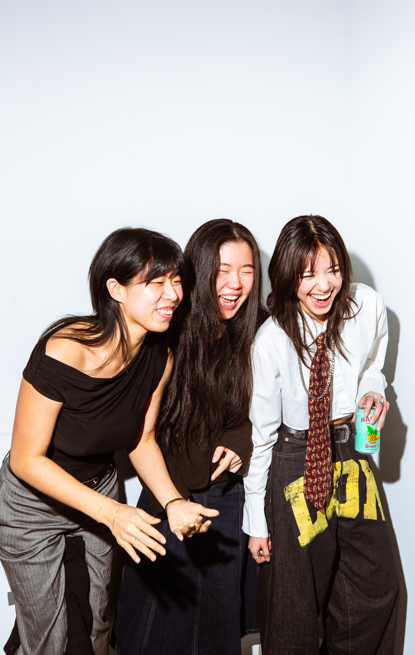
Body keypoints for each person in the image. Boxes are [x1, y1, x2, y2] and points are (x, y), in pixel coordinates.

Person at [0, 227, 218, 655]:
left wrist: (173, 502)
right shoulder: (64, 351)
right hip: (32, 505)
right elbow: (26, 459)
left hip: (101, 490)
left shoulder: (159, 355)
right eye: (155, 282)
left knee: (99, 624)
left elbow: (142, 440)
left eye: (176, 280)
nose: (172, 294)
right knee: (49, 641)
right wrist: (112, 513)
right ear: (115, 289)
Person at [243, 215, 399, 655]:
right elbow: (261, 435)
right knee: (292, 604)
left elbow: (373, 364)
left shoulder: (366, 304)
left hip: (351, 448)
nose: (324, 285)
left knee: (373, 586)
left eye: (333, 270)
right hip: (295, 455)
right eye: (308, 273)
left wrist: (372, 390)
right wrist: (256, 522)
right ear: (287, 275)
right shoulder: (271, 340)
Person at [112, 219, 267, 655]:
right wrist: (173, 501)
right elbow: (141, 431)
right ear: (197, 271)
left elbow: (263, 410)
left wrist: (239, 440)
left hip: (226, 498)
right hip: (169, 489)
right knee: (156, 629)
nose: (235, 283)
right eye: (222, 269)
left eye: (247, 270)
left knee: (216, 628)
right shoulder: (166, 330)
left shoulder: (259, 329)